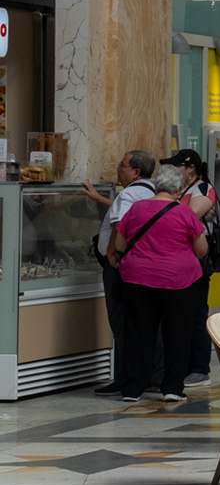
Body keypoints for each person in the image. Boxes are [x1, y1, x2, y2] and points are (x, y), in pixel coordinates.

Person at [103, 164, 209, 402]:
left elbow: (120, 245)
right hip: (179, 280)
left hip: (138, 279)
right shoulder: (185, 213)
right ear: (178, 189)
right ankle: (171, 387)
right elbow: (201, 250)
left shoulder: (136, 209)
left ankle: (132, 388)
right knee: (177, 334)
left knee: (138, 333)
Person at [86, 150, 157, 395]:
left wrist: (111, 255)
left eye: (122, 165)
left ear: (136, 172)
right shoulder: (152, 193)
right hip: (142, 265)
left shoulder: (127, 194)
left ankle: (124, 377)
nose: (118, 169)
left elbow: (119, 225)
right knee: (140, 322)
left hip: (121, 266)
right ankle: (145, 375)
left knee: (120, 321)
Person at [172, 150, 218, 386]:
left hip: (197, 258)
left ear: (191, 168)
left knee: (197, 313)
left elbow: (187, 219)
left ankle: (200, 367)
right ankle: (187, 365)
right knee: (185, 314)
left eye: (177, 166)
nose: (173, 170)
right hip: (182, 258)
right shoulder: (183, 191)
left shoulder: (202, 189)